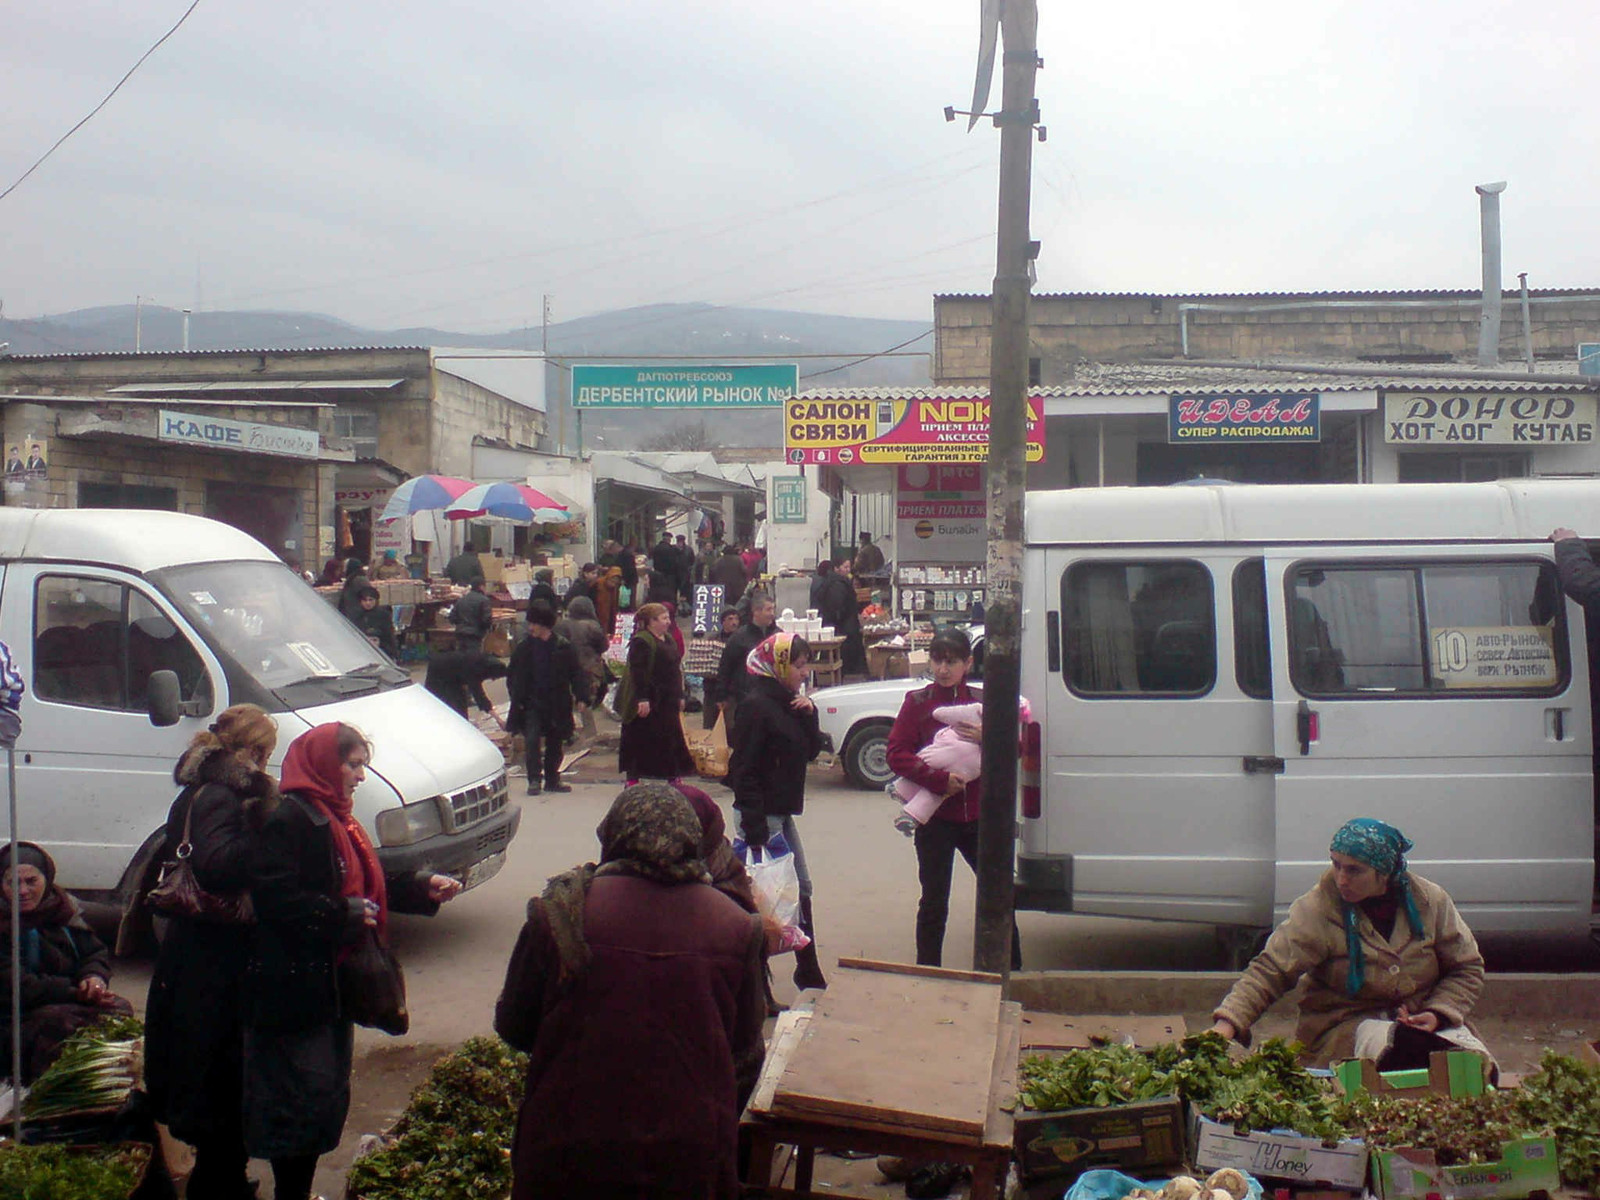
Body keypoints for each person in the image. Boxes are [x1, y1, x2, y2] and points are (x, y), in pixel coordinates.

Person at [494, 783, 766, 1200]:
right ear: (692, 841)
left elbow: (514, 1025)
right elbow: (745, 1055)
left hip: (567, 1147)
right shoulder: (737, 926)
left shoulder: (560, 912)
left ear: (612, 835)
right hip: (689, 1157)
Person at [244, 723, 462, 1200]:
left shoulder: (339, 818)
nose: (361, 776)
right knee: (300, 1105)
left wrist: (419, 887)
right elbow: (274, 900)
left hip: (331, 986)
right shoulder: (291, 820)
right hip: (296, 992)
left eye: (363, 763)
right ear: (324, 763)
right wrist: (336, 914)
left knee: (322, 1100)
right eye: (354, 764)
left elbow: (367, 884)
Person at [1210, 817, 1494, 1071]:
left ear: (1383, 874)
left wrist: (1437, 1013)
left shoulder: (1430, 903)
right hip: (1346, 1030)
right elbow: (1271, 970)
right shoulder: (1319, 909)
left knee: (1472, 1067)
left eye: (1354, 870)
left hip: (1423, 1022)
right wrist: (1228, 1024)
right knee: (1398, 1056)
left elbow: (1466, 967)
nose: (1342, 879)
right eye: (1336, 865)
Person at [146, 703, 279, 1200]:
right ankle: (218, 1185)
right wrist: (270, 837)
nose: (266, 763)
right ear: (248, 750)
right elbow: (220, 864)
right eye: (264, 752)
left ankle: (223, 1175)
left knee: (210, 1077)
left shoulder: (196, 789)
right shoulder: (221, 796)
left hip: (195, 953)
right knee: (219, 1077)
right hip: (212, 956)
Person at [886, 627, 1022, 970]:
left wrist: (988, 736)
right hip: (936, 822)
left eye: (952, 661)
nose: (943, 668)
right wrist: (938, 779)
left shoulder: (984, 703)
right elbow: (896, 755)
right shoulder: (917, 703)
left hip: (980, 817)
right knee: (933, 901)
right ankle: (928, 971)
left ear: (968, 663)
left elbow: (1018, 749)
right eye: (937, 660)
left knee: (999, 897)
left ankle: (1013, 970)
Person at [728, 631, 827, 992]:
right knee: (764, 902)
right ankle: (762, 987)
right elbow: (744, 768)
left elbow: (811, 752)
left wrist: (809, 715)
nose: (805, 672)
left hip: (779, 813)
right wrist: (753, 827)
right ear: (779, 665)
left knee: (800, 890)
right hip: (760, 816)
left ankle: (808, 970)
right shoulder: (756, 706)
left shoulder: (789, 702)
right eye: (799, 666)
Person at [0, 842, 133, 1083]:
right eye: (12, 883)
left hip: (64, 998)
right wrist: (75, 994)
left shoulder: (62, 911)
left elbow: (93, 952)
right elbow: (17, 986)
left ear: (47, 879)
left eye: (31, 881)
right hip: (14, 1013)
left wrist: (93, 978)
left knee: (118, 1011)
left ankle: (103, 1089)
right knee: (59, 1024)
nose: (23, 891)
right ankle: (40, 1091)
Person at [508, 600, 587, 796]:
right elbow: (512, 674)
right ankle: (534, 779)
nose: (530, 627)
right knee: (532, 740)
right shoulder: (524, 647)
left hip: (557, 702)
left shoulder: (562, 646)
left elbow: (576, 673)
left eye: (534, 624)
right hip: (531, 703)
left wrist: (582, 696)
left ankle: (552, 779)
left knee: (555, 742)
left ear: (544, 625)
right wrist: (517, 697)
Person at [617, 602, 695, 783]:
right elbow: (638, 673)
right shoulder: (641, 641)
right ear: (651, 621)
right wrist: (642, 699)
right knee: (641, 740)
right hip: (649, 699)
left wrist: (680, 695)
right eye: (663, 618)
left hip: (667, 699)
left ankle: (672, 776)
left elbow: (676, 669)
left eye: (668, 618)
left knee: (670, 739)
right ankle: (633, 778)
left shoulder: (668, 639)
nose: (668, 622)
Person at [716, 591, 776, 736]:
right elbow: (725, 667)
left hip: (772, 698)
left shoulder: (777, 635)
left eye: (773, 609)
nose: (772, 614)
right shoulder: (739, 638)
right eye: (769, 609)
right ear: (756, 611)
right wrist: (722, 696)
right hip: (744, 698)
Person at [555, 595, 611, 741]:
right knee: (585, 702)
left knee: (567, 701)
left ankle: (568, 734)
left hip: (565, 670)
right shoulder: (592, 626)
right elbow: (604, 646)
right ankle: (590, 736)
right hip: (589, 668)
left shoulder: (561, 625)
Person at [424, 648, 508, 728]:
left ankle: (463, 724)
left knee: (460, 701)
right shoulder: (474, 669)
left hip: (451, 674)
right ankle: (457, 728)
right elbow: (479, 696)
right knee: (449, 704)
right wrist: (499, 720)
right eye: (493, 677)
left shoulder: (482, 662)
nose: (492, 680)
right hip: (439, 674)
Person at [813, 559, 867, 675]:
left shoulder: (827, 582)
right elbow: (837, 607)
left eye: (849, 567)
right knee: (847, 665)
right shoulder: (838, 583)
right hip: (844, 629)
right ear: (836, 568)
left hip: (836, 627)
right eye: (845, 567)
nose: (848, 570)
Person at [701, 606, 741, 730]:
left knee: (730, 726)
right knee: (710, 725)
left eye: (736, 619)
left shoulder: (741, 640)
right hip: (712, 688)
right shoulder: (712, 639)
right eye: (730, 619)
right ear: (723, 622)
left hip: (732, 690)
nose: (734, 622)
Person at [450, 576, 494, 655]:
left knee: (461, 659)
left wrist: (460, 624)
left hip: (460, 634)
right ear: (481, 587)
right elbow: (486, 620)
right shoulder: (484, 600)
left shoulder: (461, 599)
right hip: (474, 635)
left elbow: (452, 617)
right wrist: (487, 629)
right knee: (473, 660)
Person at [351, 585, 399, 659]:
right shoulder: (356, 616)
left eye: (371, 600)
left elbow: (389, 636)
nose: (368, 603)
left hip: (382, 651)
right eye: (365, 600)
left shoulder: (383, 615)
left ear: (376, 600)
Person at [651, 534, 680, 602]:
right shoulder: (671, 549)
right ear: (668, 539)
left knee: (659, 593)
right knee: (670, 594)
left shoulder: (656, 548)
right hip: (670, 575)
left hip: (658, 574)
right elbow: (674, 562)